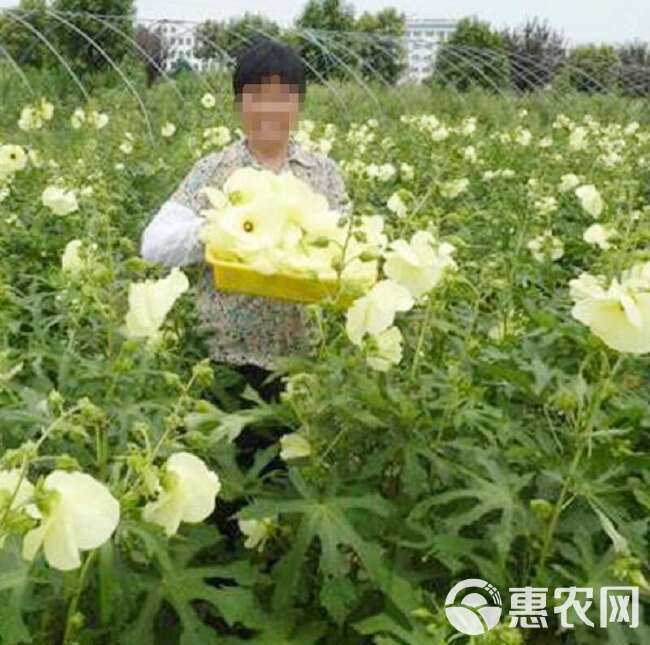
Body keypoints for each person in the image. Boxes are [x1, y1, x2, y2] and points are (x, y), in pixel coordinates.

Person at [139, 37, 351, 404]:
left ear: (299, 104)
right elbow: (153, 245)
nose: (270, 108)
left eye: (283, 95)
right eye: (257, 95)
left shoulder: (324, 174)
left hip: (303, 365)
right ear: (239, 103)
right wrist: (212, 230)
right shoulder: (213, 170)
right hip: (224, 365)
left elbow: (350, 251)